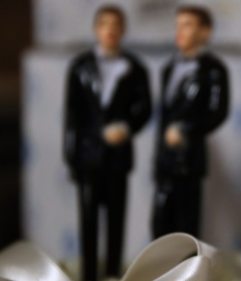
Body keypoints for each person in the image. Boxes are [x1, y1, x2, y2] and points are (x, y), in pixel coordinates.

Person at [63, 5, 152, 280]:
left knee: (116, 221)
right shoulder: (80, 68)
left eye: (116, 25)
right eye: (104, 25)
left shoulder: (136, 69)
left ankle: (113, 273)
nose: (110, 31)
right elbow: (72, 117)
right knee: (88, 221)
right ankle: (89, 274)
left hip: (117, 158)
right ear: (96, 29)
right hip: (88, 157)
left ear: (122, 30)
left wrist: (126, 127)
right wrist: (71, 156)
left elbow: (145, 108)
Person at [152, 5, 230, 239]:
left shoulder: (213, 70)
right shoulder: (168, 68)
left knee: (185, 223)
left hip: (188, 161)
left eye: (187, 25)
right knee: (160, 221)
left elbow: (217, 112)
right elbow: (164, 116)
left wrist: (186, 129)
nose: (180, 31)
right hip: (165, 161)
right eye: (178, 25)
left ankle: (186, 272)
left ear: (204, 32)